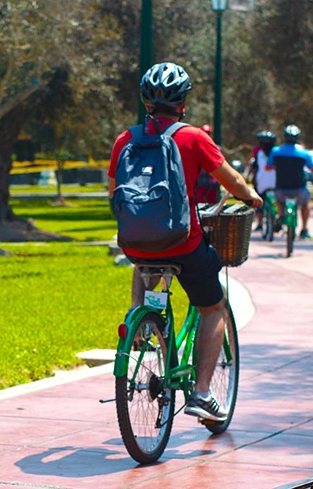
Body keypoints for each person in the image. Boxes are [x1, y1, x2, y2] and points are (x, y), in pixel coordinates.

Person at [108, 62, 261, 422]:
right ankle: (203, 394)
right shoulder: (193, 138)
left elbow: (114, 190)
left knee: (145, 261)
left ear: (146, 101)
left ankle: (140, 318)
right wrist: (250, 195)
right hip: (183, 242)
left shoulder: (125, 140)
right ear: (183, 101)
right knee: (213, 308)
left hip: (134, 242)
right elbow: (231, 179)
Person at [272, 125, 313, 239]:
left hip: (281, 188)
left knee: (279, 201)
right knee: (306, 204)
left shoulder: (276, 151)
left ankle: (281, 215)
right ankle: (304, 229)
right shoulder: (304, 153)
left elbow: (268, 166)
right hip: (299, 189)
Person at [248, 131, 278, 231]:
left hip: (261, 183)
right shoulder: (277, 153)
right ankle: (276, 218)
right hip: (276, 183)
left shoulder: (259, 154)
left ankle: (260, 223)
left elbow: (254, 167)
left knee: (259, 203)